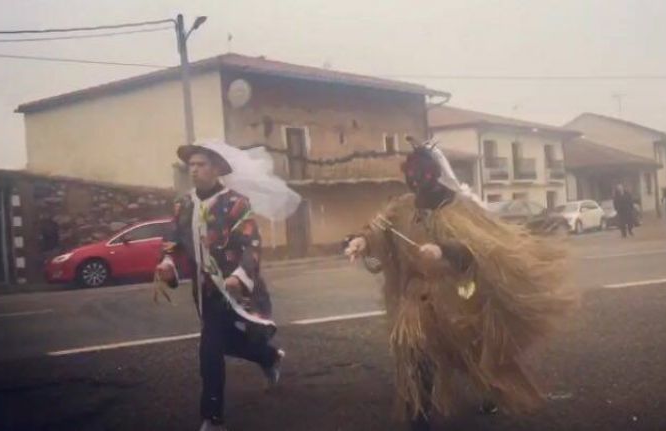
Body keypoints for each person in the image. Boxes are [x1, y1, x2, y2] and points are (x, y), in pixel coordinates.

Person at [344, 139, 574, 431]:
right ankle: (420, 414)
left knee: (470, 351)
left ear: (434, 174)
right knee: (414, 350)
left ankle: (490, 384)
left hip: (455, 296)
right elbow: (378, 229)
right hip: (416, 299)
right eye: (411, 175)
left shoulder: (459, 209)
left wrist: (443, 250)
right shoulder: (402, 207)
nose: (415, 182)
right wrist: (361, 242)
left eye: (422, 174)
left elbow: (475, 250)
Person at [155, 141, 299, 431]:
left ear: (218, 168)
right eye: (191, 165)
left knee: (213, 346)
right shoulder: (184, 204)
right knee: (219, 343)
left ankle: (213, 416)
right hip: (206, 291)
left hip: (237, 288)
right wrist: (168, 264)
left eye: (201, 165)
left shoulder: (236, 203)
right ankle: (266, 360)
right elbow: (172, 242)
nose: (194, 170)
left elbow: (251, 244)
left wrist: (239, 276)